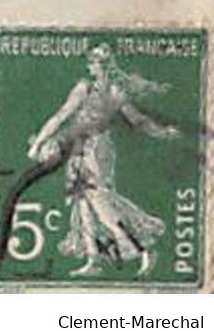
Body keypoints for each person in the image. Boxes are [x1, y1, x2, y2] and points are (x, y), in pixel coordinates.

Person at [25, 43, 179, 277]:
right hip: (81, 149)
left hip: (96, 150)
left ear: (104, 66)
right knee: (82, 202)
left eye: (94, 62)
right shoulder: (102, 89)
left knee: (99, 201)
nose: (91, 66)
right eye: (91, 62)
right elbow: (64, 116)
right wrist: (163, 132)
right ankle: (93, 260)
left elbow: (136, 121)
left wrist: (38, 143)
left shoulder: (99, 90)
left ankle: (142, 249)